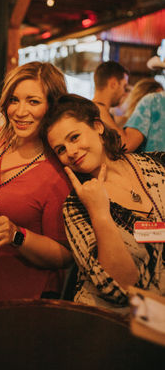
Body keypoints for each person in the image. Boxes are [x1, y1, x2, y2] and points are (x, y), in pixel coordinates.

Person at [0, 61, 73, 306]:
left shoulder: (58, 170)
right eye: (14, 100)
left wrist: (16, 235)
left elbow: (64, 255)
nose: (20, 112)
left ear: (52, 107)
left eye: (33, 101)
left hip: (19, 296)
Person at [44, 94, 165, 314]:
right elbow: (120, 289)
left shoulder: (158, 164)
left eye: (74, 137)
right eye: (60, 149)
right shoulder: (76, 207)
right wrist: (99, 213)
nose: (70, 152)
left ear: (98, 127)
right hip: (112, 328)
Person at [92, 60, 129, 138]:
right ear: (113, 84)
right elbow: (124, 143)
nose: (125, 93)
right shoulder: (97, 110)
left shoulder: (99, 110)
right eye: (124, 87)